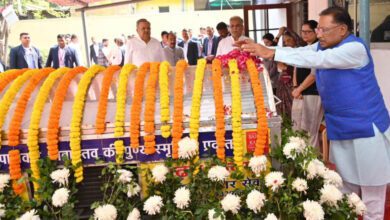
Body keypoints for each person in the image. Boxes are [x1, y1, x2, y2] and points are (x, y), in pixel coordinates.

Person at [239, 7, 390, 220]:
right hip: (340, 127)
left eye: (324, 30)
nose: (319, 34)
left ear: (342, 29)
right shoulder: (321, 46)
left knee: (372, 195)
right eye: (318, 28)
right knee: (346, 189)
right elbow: (303, 53)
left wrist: (271, 52)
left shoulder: (355, 48)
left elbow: (320, 60)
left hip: (367, 128)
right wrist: (263, 48)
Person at [291, 20, 324, 148]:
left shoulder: (319, 49)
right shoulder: (303, 48)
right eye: (302, 31)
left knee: (309, 130)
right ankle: (299, 159)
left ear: (316, 32)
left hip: (312, 93)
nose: (304, 34)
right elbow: (296, 68)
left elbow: (314, 74)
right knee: (297, 128)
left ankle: (312, 164)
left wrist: (299, 89)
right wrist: (295, 87)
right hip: (299, 92)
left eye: (308, 32)